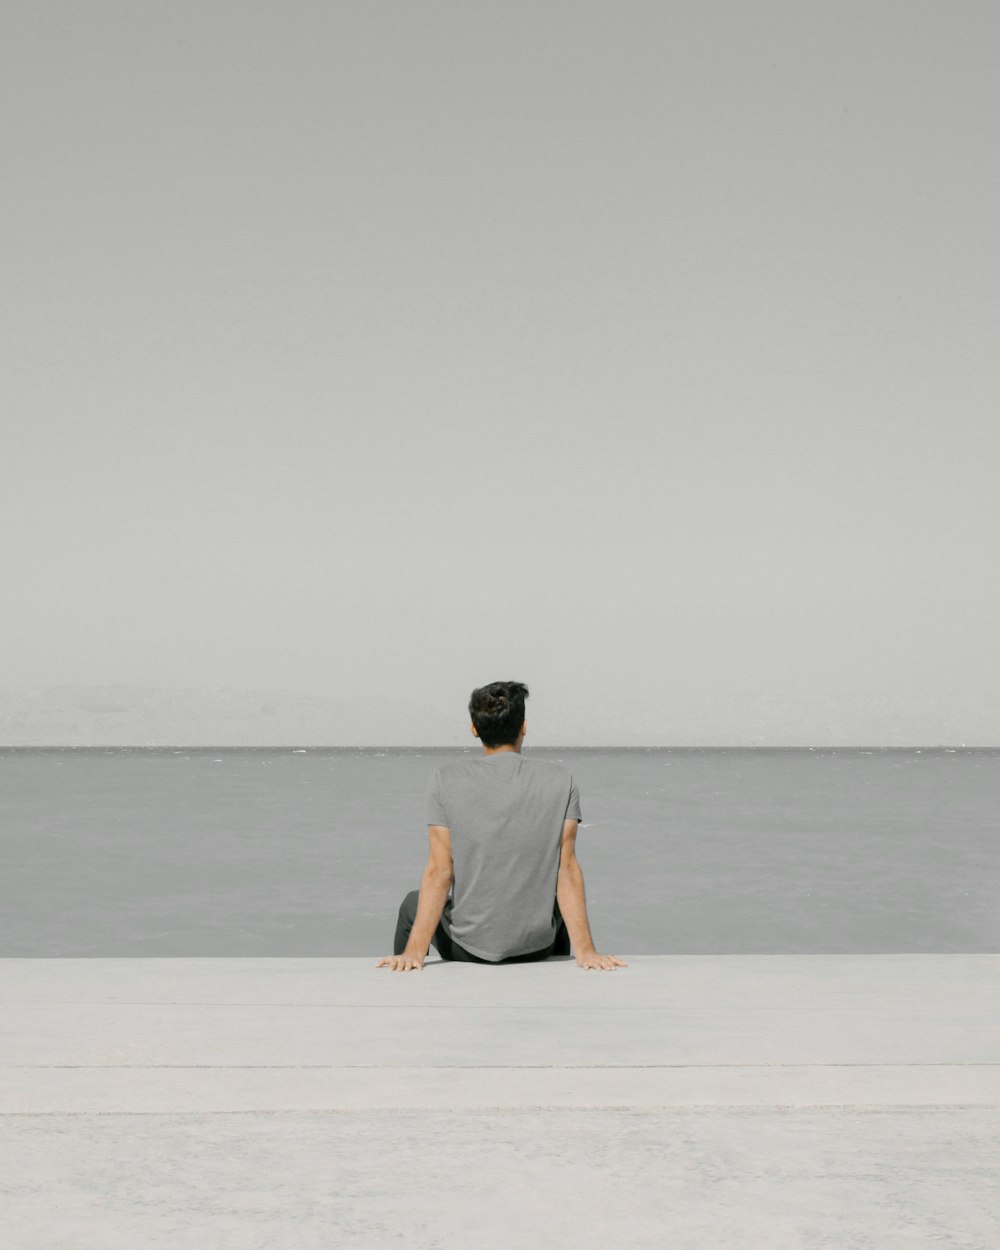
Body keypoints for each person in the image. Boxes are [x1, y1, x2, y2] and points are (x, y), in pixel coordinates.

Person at [376, 680, 628, 972]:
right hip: (536, 950)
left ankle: (406, 966)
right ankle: (559, 970)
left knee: (412, 903)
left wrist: (415, 952)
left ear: (474, 729)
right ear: (523, 726)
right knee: (554, 906)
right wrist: (587, 952)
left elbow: (439, 871)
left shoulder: (445, 779)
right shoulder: (562, 780)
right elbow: (567, 869)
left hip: (467, 950)